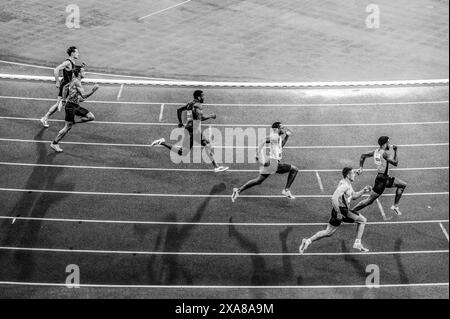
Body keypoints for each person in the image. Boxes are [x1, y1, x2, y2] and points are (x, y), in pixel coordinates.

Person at [150, 90, 229, 173]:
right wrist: (211, 116)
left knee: (183, 152)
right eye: (203, 96)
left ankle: (162, 142)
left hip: (189, 128)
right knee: (206, 144)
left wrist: (180, 122)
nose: (204, 97)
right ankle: (216, 167)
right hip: (193, 129)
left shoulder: (189, 104)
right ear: (199, 97)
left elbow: (179, 110)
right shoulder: (198, 105)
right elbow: (201, 118)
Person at [299, 167, 372, 254]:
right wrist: (338, 212)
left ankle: (307, 241)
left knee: (328, 232)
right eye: (353, 173)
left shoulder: (347, 184)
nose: (355, 175)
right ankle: (357, 243)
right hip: (342, 211)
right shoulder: (344, 185)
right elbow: (333, 198)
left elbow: (354, 196)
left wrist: (363, 190)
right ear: (348, 175)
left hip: (338, 211)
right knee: (363, 220)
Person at [231, 122, 299, 201]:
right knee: (294, 169)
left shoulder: (278, 137)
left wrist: (287, 135)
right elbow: (263, 141)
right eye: (282, 128)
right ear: (276, 129)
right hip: (274, 163)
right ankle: (286, 190)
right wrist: (257, 154)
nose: (283, 129)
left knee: (258, 181)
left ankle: (238, 190)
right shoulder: (275, 137)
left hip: (270, 162)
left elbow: (281, 145)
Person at [352, 136, 407, 216]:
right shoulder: (385, 154)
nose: (390, 144)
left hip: (384, 178)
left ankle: (395, 206)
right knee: (369, 200)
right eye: (389, 142)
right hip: (381, 180)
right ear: (385, 143)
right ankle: (350, 211)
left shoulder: (376, 151)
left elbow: (363, 155)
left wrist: (361, 167)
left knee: (402, 185)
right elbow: (395, 163)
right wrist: (396, 151)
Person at [49, 67, 99, 153]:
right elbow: (84, 95)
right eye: (83, 71)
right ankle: (54, 143)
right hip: (71, 107)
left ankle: (73, 122)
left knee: (91, 117)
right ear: (79, 73)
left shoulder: (74, 79)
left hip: (75, 105)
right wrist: (93, 90)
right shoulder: (77, 82)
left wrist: (64, 99)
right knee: (67, 127)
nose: (85, 73)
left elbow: (65, 87)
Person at [40, 46, 82, 128]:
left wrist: (80, 67)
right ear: (72, 53)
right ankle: (45, 117)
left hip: (68, 86)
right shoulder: (68, 62)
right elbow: (56, 69)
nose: (78, 54)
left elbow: (71, 71)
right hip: (65, 87)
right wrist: (57, 81)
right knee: (59, 103)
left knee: (66, 102)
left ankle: (47, 117)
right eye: (77, 52)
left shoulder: (72, 62)